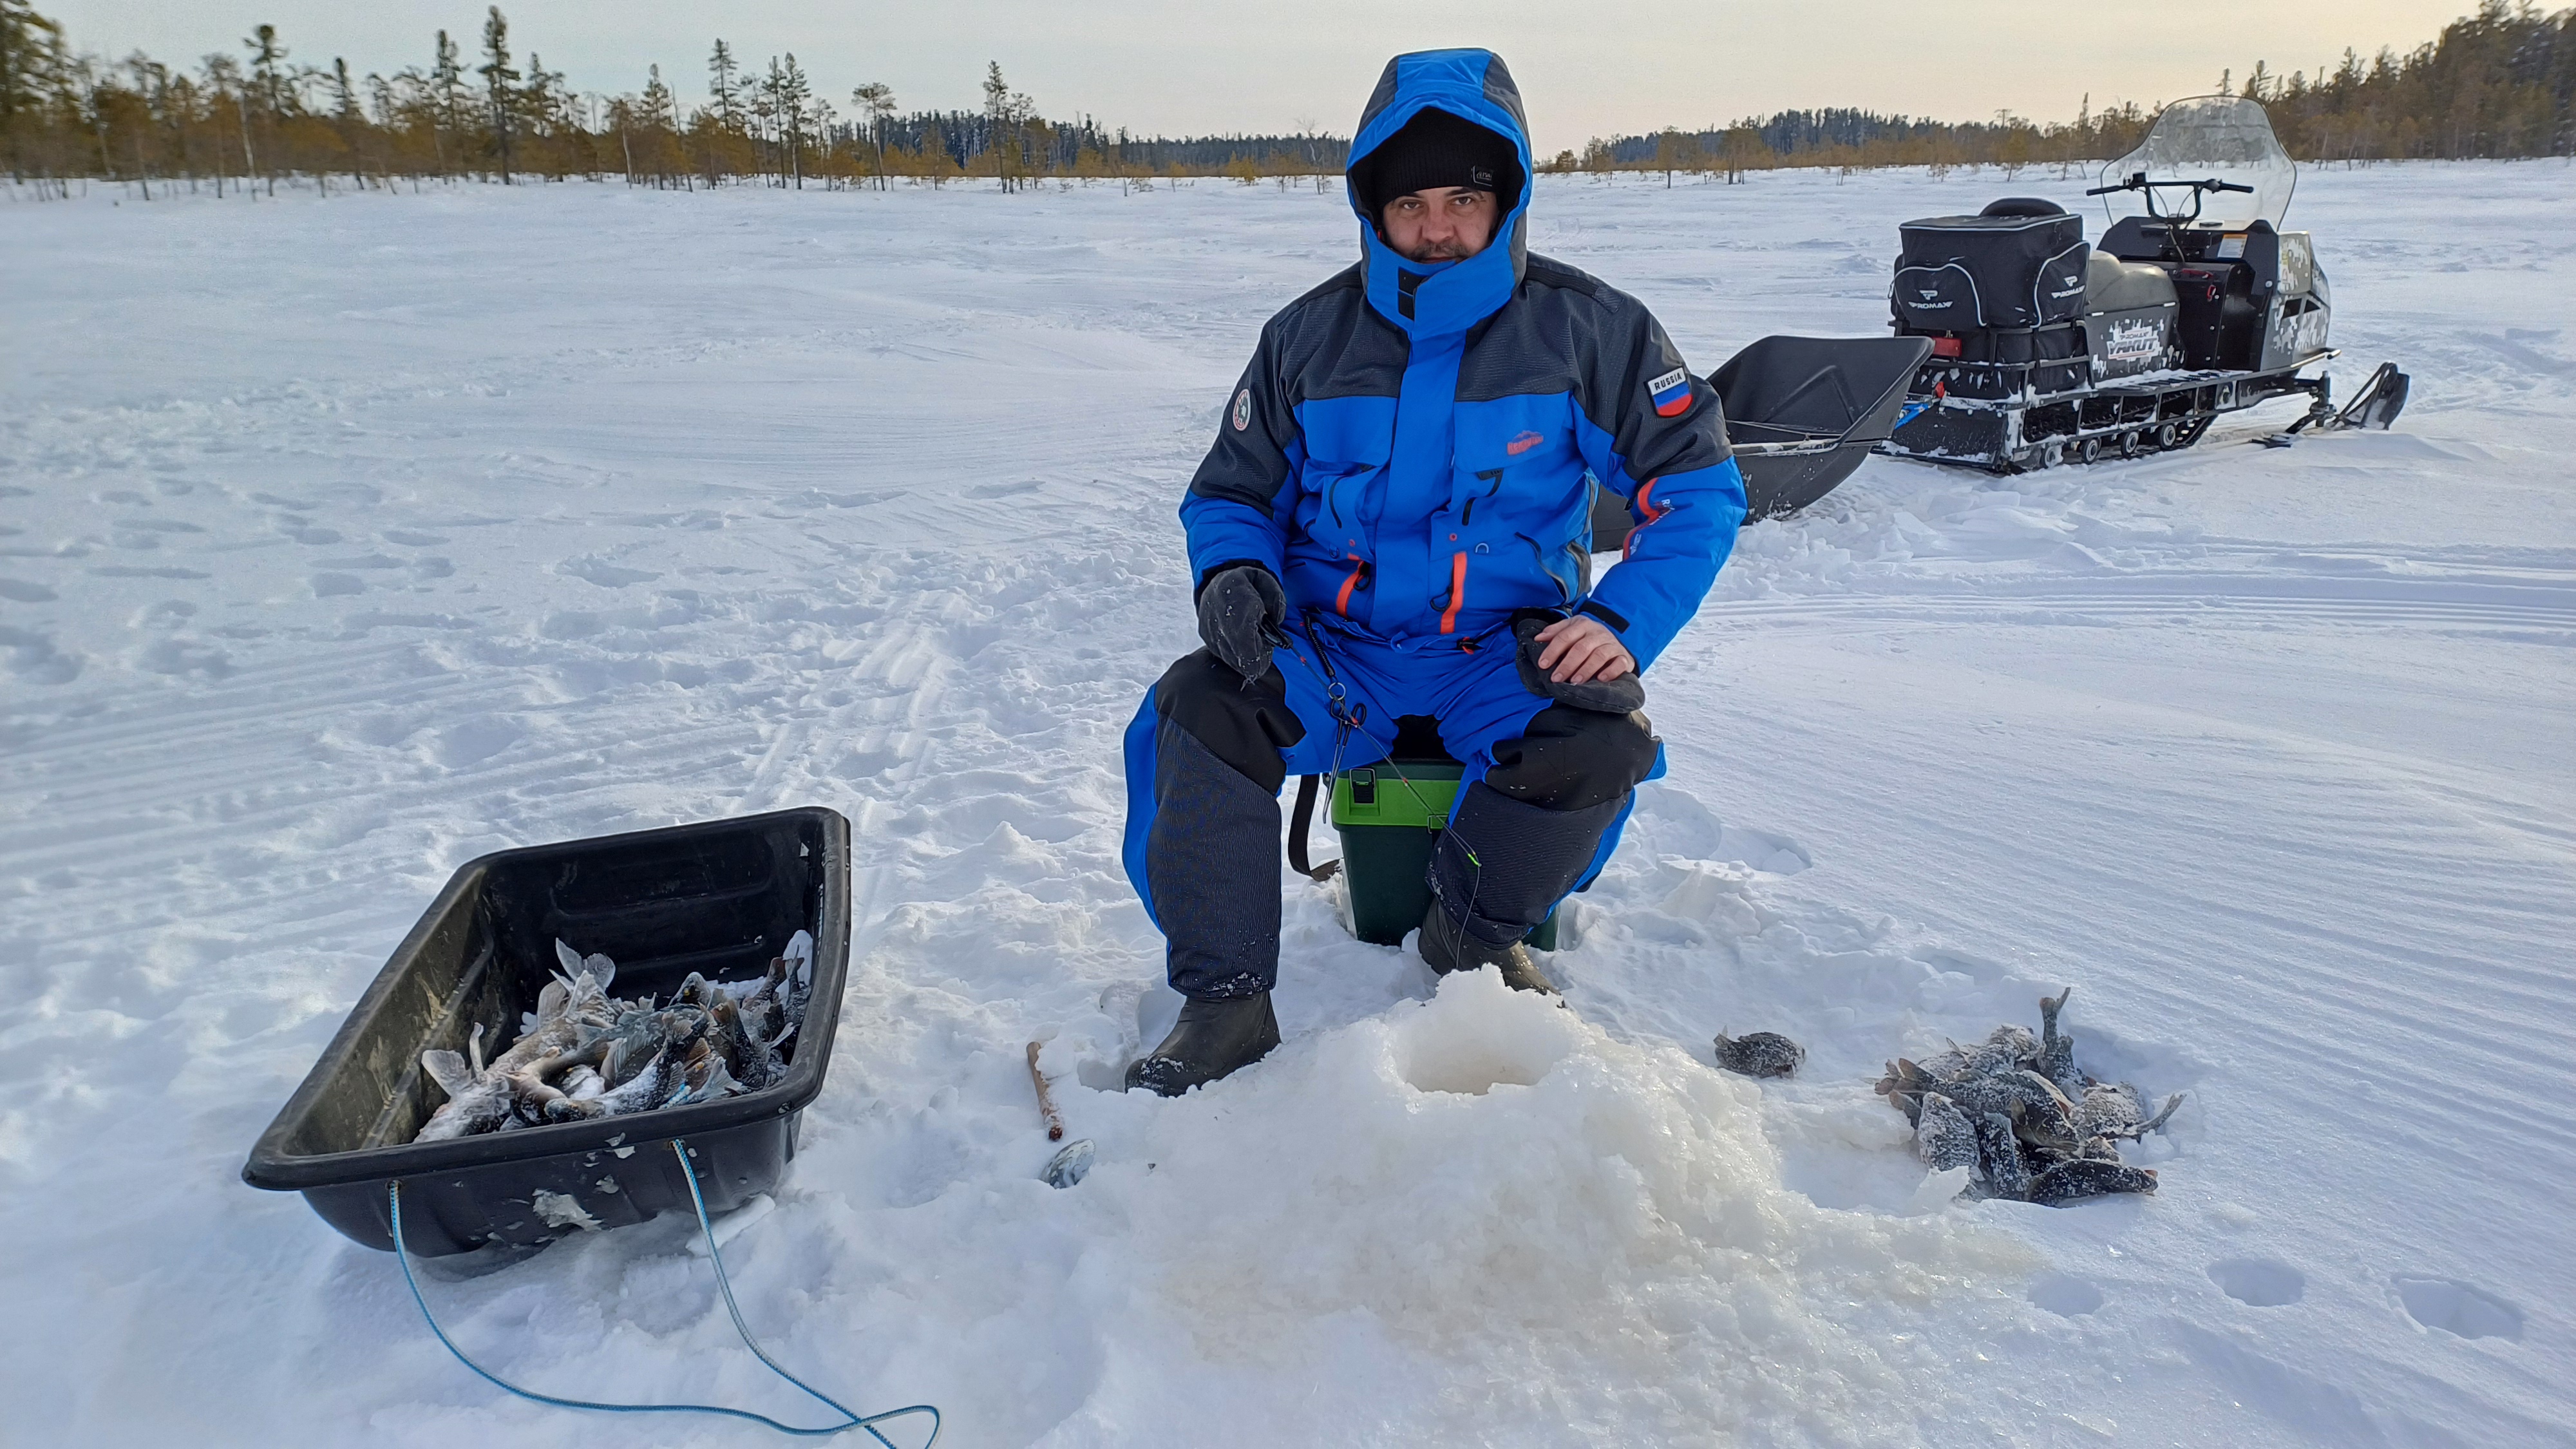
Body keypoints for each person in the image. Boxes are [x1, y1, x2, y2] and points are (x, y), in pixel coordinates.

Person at [1118, 49, 1747, 1095]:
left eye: (1464, 199)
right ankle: (1225, 1001)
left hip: (1499, 658)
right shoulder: (1306, 339)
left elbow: (1699, 485)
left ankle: (1473, 938)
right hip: (1338, 659)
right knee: (1196, 708)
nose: (1437, 227)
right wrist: (1231, 574)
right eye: (1410, 203)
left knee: (1604, 736)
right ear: (1374, 207)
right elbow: (1232, 492)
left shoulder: (1591, 332)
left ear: (1508, 199)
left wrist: (1620, 623)